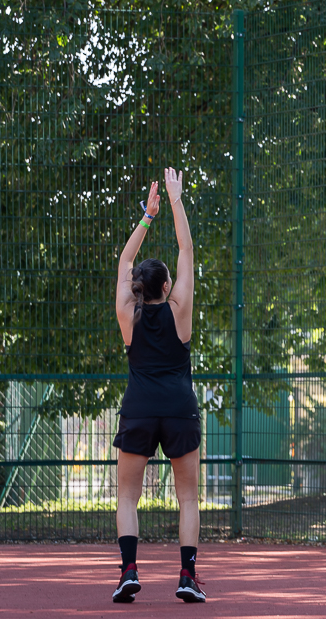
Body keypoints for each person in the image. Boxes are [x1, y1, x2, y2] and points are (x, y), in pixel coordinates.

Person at [111, 169, 205, 604]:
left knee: (128, 497)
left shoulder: (127, 314)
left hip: (140, 408)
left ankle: (129, 572)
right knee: (188, 499)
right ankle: (186, 576)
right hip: (180, 408)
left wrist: (147, 217)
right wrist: (174, 200)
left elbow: (124, 263)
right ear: (166, 287)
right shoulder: (179, 310)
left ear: (138, 288)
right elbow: (187, 248)